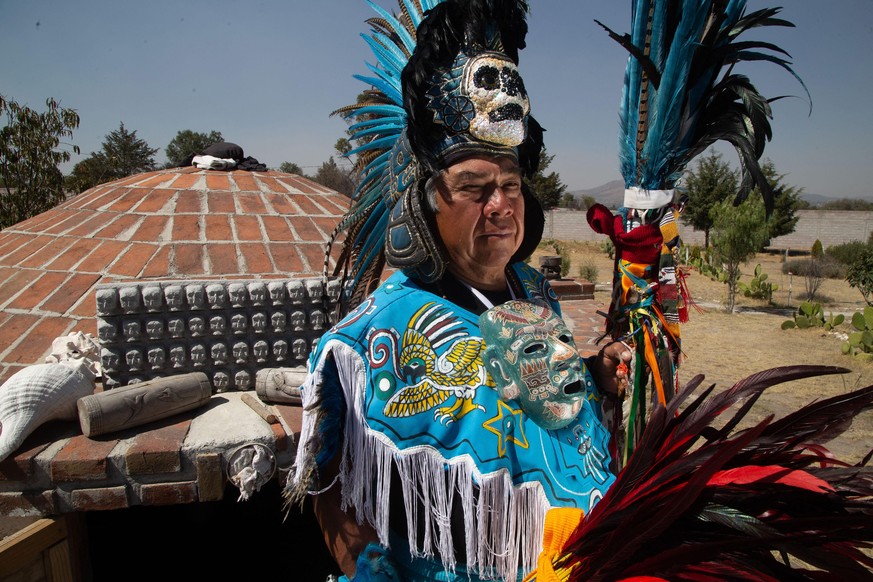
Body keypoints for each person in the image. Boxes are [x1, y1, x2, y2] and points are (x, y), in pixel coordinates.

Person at [283, 1, 629, 580]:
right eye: (473, 188)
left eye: (511, 185)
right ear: (427, 201)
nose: (500, 206)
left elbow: (534, 394)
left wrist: (593, 375)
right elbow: (331, 485)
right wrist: (368, 568)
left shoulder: (534, 292)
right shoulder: (373, 334)